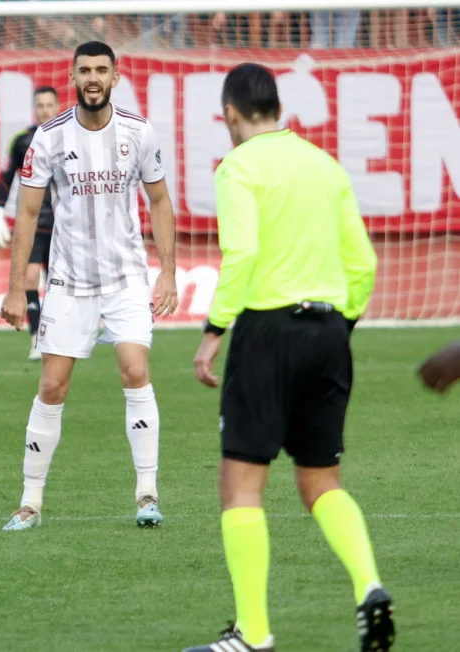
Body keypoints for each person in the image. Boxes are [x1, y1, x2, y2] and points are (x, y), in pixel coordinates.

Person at [185, 63, 392, 652]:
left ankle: (253, 634)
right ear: (278, 108)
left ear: (229, 114)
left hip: (267, 332)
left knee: (241, 486)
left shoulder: (238, 167)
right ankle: (369, 584)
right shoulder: (325, 166)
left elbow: (242, 253)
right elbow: (364, 263)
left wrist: (213, 330)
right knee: (322, 480)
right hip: (328, 330)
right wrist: (337, 327)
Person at [0, 41, 178, 532]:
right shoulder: (49, 137)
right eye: (85, 71)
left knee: (135, 369)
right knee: (52, 386)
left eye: (102, 70)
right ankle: (30, 502)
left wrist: (168, 271)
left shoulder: (139, 132)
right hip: (68, 280)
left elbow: (160, 201)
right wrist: (16, 288)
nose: (93, 78)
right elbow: (27, 214)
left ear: (115, 77)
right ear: (73, 77)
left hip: (125, 277)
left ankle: (147, 493)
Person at [0, 86, 61, 361]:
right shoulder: (22, 140)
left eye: (49, 105)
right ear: (34, 109)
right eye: (40, 105)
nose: (44, 110)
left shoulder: (69, 137)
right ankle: (36, 337)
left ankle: (59, 336)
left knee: (59, 282)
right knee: (30, 276)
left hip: (64, 223)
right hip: (33, 221)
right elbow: (6, 176)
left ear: (57, 107)